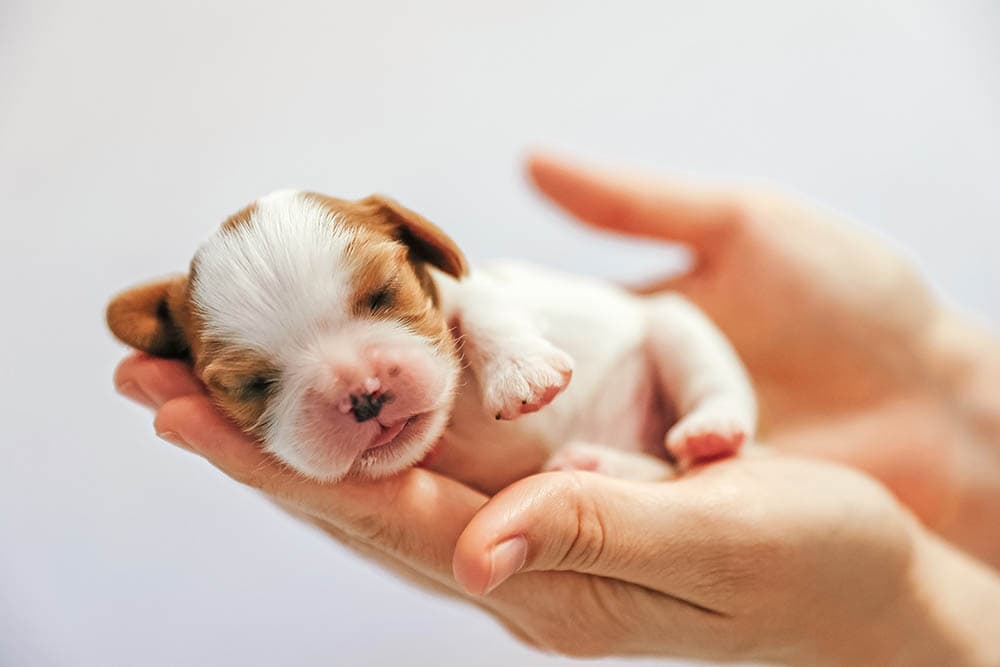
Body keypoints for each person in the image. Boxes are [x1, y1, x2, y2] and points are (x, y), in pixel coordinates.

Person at [114, 154, 1000, 666]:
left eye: (380, 302)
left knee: (674, 327)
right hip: (587, 459)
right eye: (259, 384)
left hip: (638, 366)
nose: (361, 388)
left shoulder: (471, 304)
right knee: (595, 490)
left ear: (425, 253)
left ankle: (716, 410)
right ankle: (655, 478)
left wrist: (511, 367)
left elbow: (486, 303)